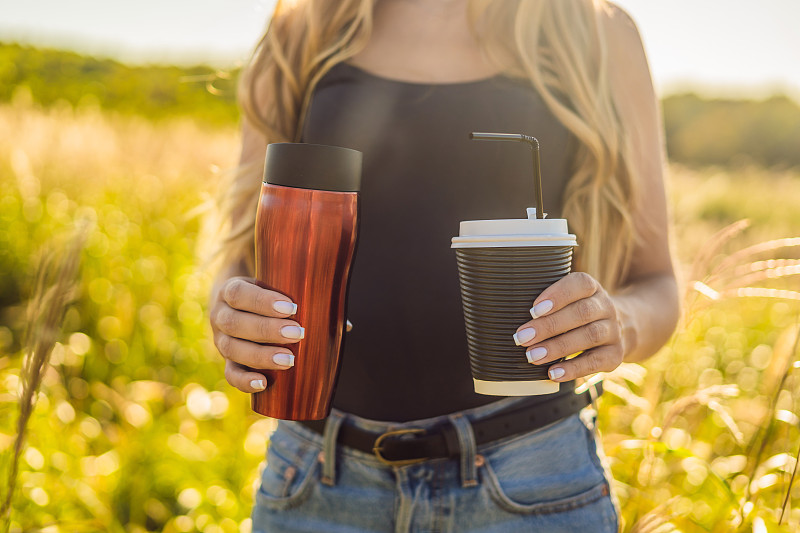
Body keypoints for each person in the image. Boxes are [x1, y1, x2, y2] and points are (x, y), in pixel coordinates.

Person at [209, 0, 679, 531]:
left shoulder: (594, 30)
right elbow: (237, 260)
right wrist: (232, 319)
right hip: (320, 479)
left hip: (533, 479)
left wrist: (617, 321)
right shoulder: (305, 26)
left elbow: (657, 285)